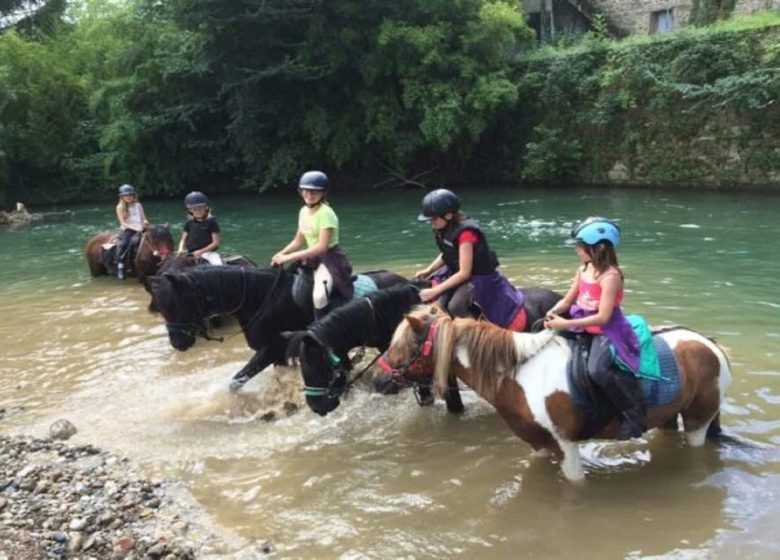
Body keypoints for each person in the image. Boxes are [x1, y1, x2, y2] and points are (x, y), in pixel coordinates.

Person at [543, 217, 645, 440]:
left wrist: (565, 323)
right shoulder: (584, 269)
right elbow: (569, 300)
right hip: (581, 323)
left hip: (606, 329)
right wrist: (553, 311)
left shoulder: (611, 276)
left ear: (597, 248)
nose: (577, 251)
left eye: (580, 246)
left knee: (596, 370)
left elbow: (603, 316)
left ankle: (632, 413)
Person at [413, 189, 526, 330]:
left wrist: (436, 291)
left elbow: (464, 273)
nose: (431, 223)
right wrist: (428, 270)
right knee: (437, 306)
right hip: (457, 272)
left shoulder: (466, 234)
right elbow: (447, 253)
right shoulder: (443, 228)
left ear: (448, 215)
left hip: (477, 276)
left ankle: (475, 338)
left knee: (456, 306)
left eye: (434, 219)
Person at [271, 171, 353, 318]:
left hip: (328, 259)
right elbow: (298, 240)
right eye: (306, 191)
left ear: (323, 193)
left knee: (319, 296)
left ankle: (321, 330)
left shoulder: (326, 213)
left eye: (315, 191)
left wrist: (289, 257)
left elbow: (322, 246)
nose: (309, 194)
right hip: (310, 257)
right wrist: (281, 253)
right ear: (300, 191)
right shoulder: (303, 211)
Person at [177, 191, 222, 265]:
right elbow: (183, 239)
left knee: (218, 265)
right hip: (191, 253)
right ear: (190, 210)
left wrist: (201, 251)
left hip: (209, 253)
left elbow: (215, 243)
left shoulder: (212, 222)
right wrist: (180, 249)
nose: (198, 211)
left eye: (200, 208)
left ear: (206, 207)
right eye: (195, 209)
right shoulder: (189, 223)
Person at [115, 184, 147, 279]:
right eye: (126, 195)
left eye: (130, 195)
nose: (129, 197)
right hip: (128, 229)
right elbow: (123, 223)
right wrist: (135, 228)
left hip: (141, 228)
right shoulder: (120, 207)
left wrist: (145, 222)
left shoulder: (138, 205)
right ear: (122, 197)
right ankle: (121, 265)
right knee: (124, 244)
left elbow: (143, 218)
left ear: (133, 196)